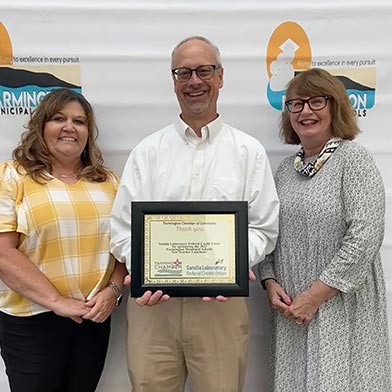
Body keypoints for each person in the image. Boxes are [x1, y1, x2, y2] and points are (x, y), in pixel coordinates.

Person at [110, 36, 279, 392]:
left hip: (220, 306)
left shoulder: (248, 152)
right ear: (174, 82)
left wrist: (228, 268)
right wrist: (144, 268)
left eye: (204, 70)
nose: (194, 81)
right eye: (183, 73)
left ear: (220, 76)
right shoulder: (147, 152)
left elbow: (263, 228)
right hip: (152, 305)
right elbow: (123, 229)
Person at [258, 68, 391, 392]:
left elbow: (365, 236)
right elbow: (267, 231)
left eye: (316, 101)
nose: (305, 111)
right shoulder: (284, 172)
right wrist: (269, 280)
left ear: (336, 107)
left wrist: (314, 297)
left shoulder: (354, 160)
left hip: (339, 309)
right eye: (296, 104)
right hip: (292, 312)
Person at [0, 88, 127, 392]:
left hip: (92, 320)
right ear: (41, 126)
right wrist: (57, 302)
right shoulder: (13, 176)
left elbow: (124, 247)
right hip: (31, 322)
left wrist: (113, 290)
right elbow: (3, 254)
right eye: (59, 118)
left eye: (79, 121)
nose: (70, 127)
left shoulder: (108, 181)